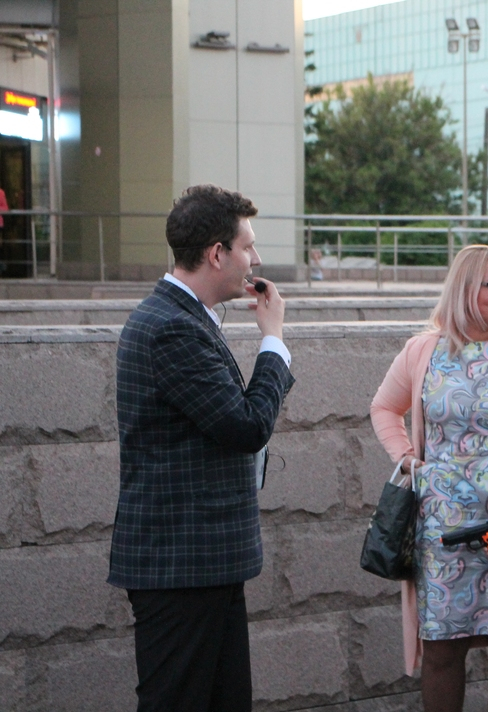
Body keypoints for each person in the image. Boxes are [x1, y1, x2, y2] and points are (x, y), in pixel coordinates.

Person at [108, 185, 295, 711]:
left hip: (203, 563)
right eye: (247, 246)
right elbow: (246, 426)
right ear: (217, 253)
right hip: (181, 566)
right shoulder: (172, 327)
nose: (255, 259)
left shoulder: (184, 318)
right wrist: (274, 340)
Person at [370, 244, 488, 712]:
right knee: (441, 647)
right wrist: (407, 459)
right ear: (464, 287)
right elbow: (384, 408)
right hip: (440, 527)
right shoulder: (422, 350)